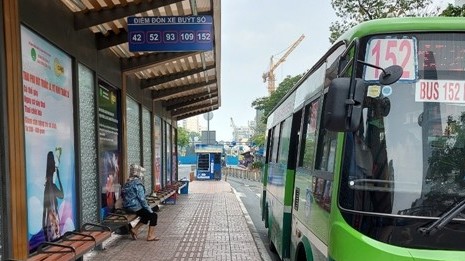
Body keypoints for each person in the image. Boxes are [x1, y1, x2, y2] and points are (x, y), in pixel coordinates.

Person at [121, 164, 159, 241]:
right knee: (153, 216)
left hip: (127, 207)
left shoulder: (128, 182)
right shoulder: (138, 184)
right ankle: (150, 236)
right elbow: (142, 199)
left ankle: (134, 230)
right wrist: (149, 210)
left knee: (146, 216)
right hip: (135, 207)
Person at [42, 148, 64, 241]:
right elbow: (61, 195)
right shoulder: (51, 185)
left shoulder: (48, 185)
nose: (55, 167)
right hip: (52, 220)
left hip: (50, 220)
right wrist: (59, 177)